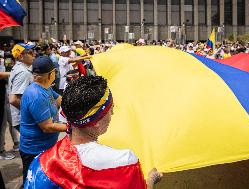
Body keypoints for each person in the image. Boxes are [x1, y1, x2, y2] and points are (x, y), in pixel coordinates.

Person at [25, 76, 162, 189]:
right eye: (111, 109)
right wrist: (151, 180)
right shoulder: (124, 162)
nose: (113, 113)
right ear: (95, 121)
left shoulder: (40, 163)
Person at [20, 56, 67, 185]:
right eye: (54, 72)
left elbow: (61, 101)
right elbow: (47, 127)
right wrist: (72, 127)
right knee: (32, 182)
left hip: (46, 146)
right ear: (50, 74)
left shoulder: (46, 88)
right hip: (34, 150)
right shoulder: (36, 95)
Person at [9, 43, 35, 132]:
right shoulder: (23, 73)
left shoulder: (19, 68)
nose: (33, 54)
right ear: (21, 57)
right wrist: (32, 113)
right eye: (30, 52)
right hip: (24, 119)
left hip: (21, 118)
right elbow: (13, 99)